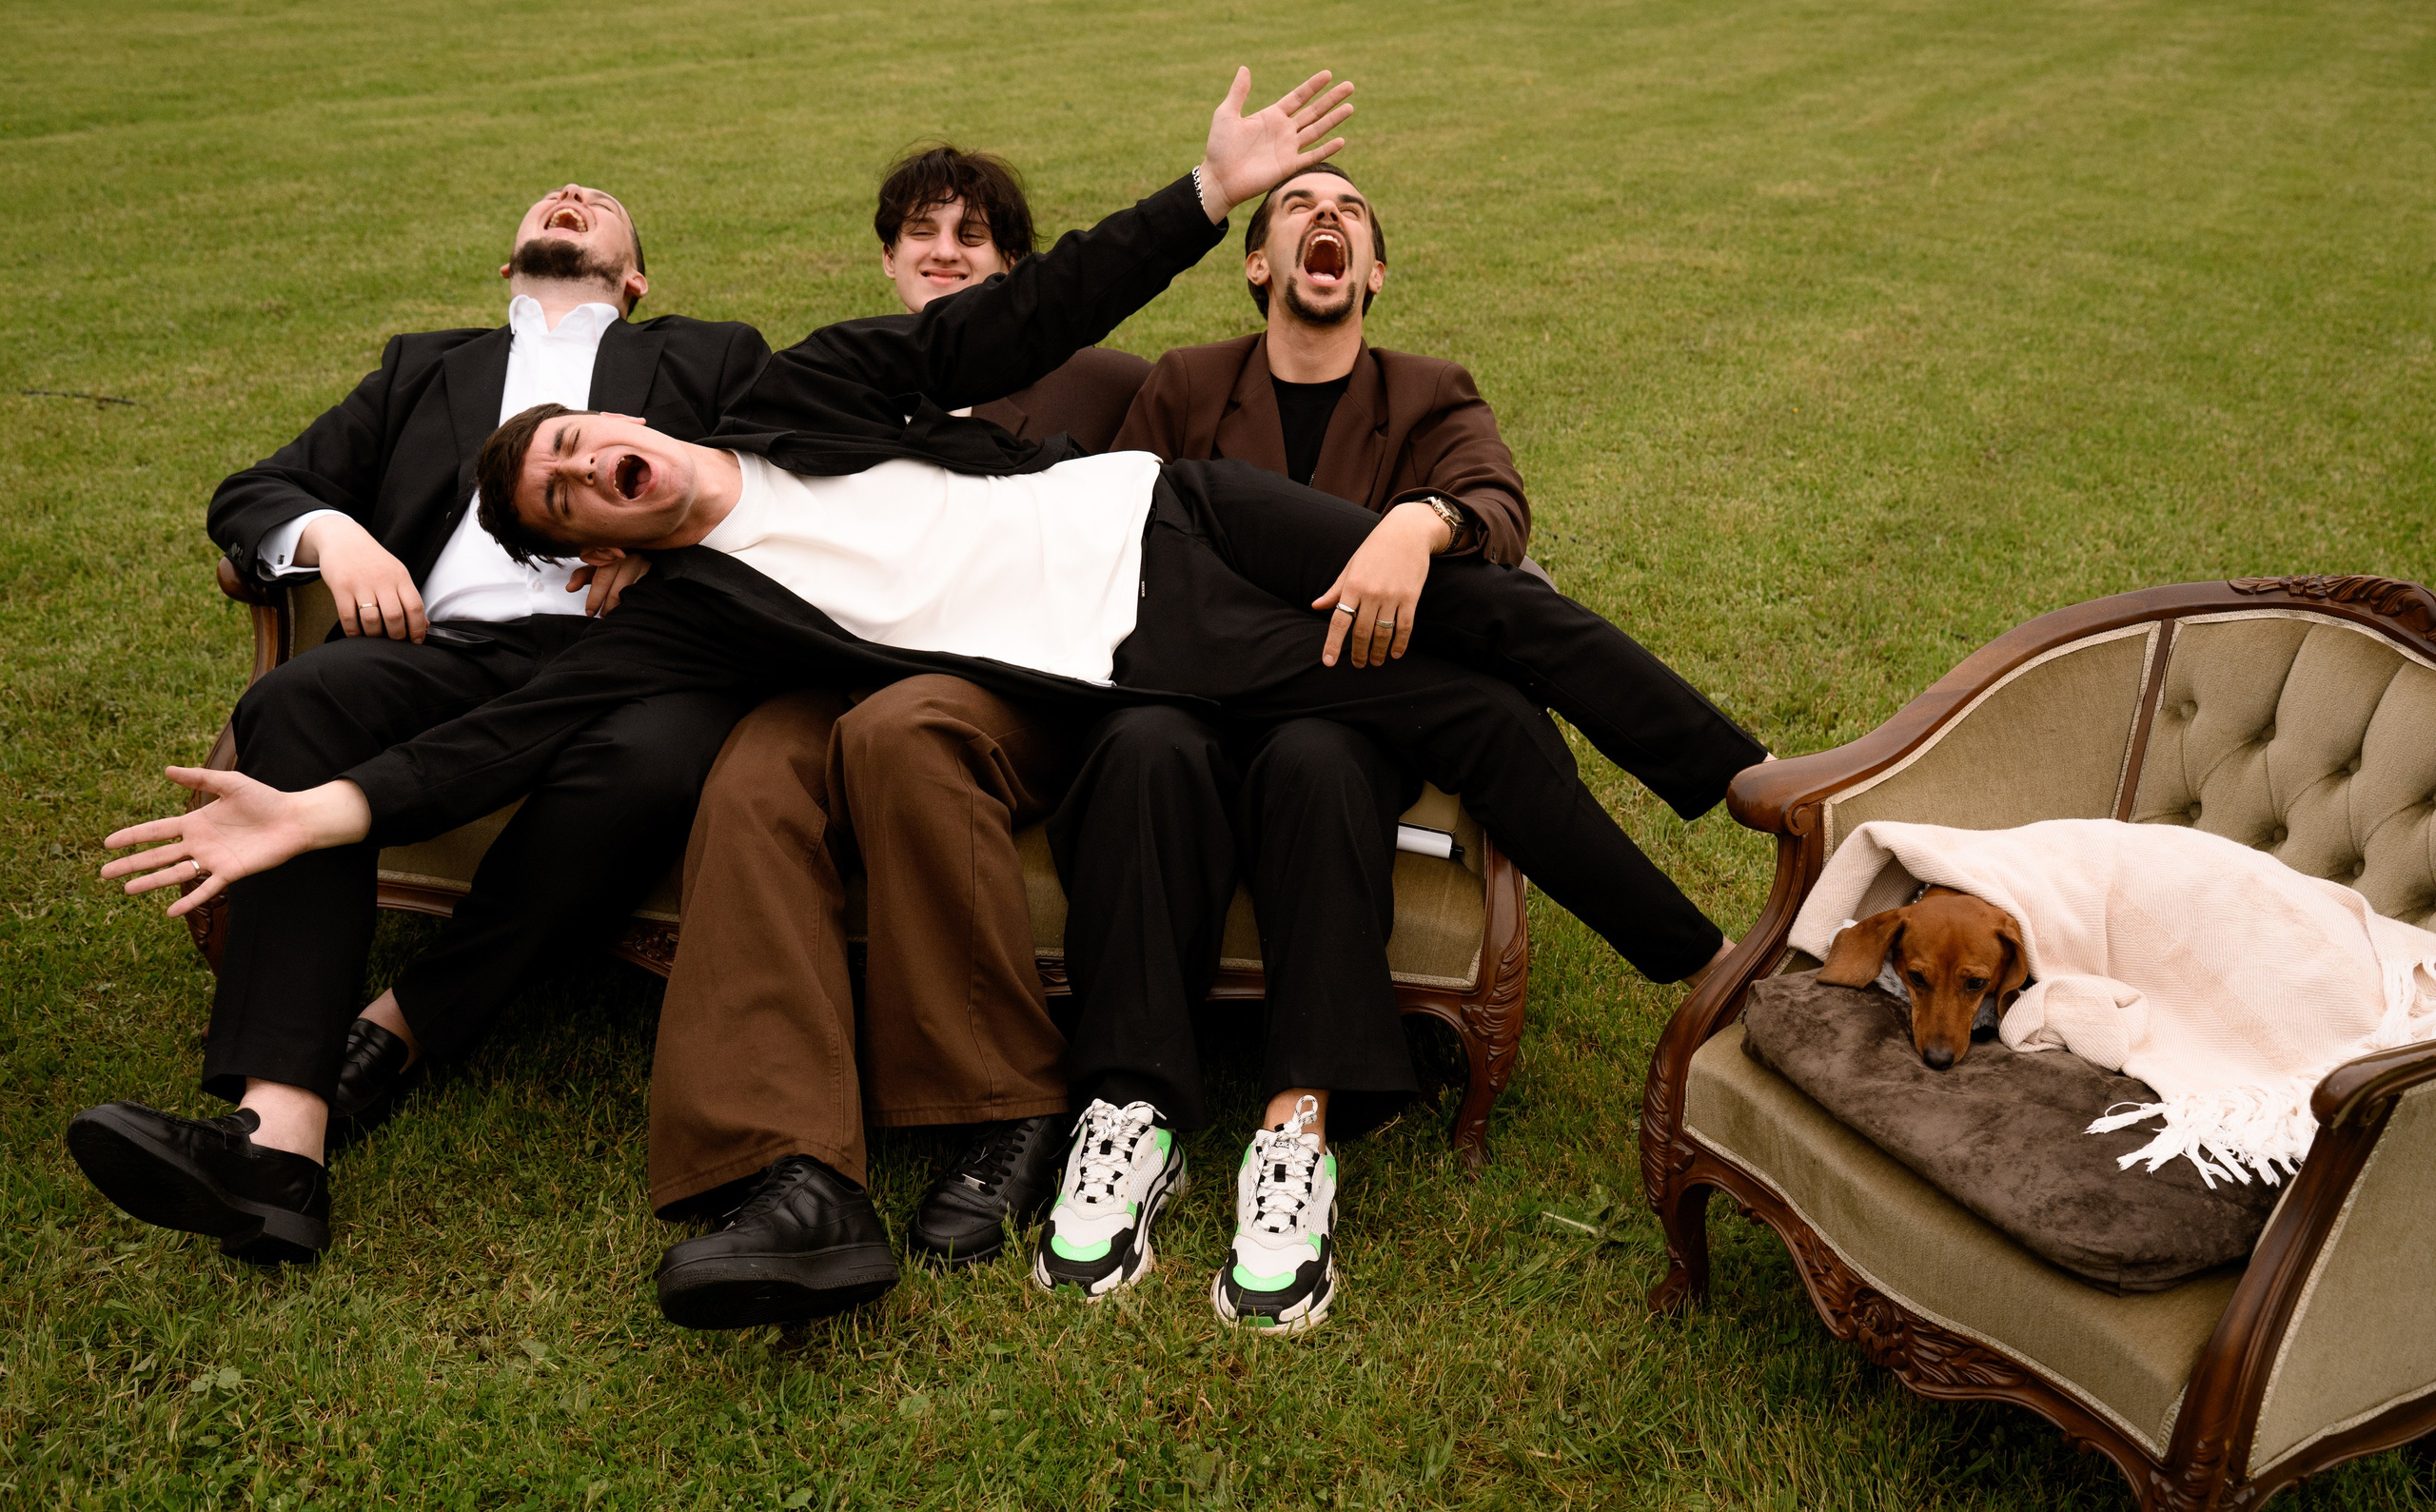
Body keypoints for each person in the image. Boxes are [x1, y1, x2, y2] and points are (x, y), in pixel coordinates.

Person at [100, 71, 1767, 1325]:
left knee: (1483, 614)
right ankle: (1709, 969)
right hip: (1133, 647)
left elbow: (1022, 316)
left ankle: (1753, 782)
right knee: (1462, 704)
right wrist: (319, 804)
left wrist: (1207, 191)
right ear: (586, 537)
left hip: (1164, 515)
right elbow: (515, 727)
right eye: (569, 498)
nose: (596, 466)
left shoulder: (796, 387)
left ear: (641, 413)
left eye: (585, 445)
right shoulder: (699, 615)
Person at [67, 186, 767, 1263]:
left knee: (656, 759)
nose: (573, 196)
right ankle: (282, 1132)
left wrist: (667, 552)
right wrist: (335, 537)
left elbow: (777, 477)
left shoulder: (708, 355)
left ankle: (396, 1027)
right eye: (555, 196)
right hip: (440, 653)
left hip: (630, 665)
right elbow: (258, 487)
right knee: (298, 698)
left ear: (634, 281)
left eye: (601, 204)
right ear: (508, 269)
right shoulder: (423, 367)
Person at [1032, 160, 1538, 1331]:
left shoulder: (1427, 392)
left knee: (1314, 764)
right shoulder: (1184, 382)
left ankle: (1293, 1129)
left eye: (1350, 212)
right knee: (1145, 747)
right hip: (1190, 694)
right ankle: (1127, 1115)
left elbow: (1499, 513)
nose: (1326, 218)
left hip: (1346, 710)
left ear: (1371, 273)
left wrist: (1424, 519)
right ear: (1258, 263)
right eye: (1298, 209)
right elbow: (1119, 531)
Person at [648, 146, 1149, 1305]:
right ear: (885, 260)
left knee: (906, 730)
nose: (944, 252)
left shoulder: (1102, 380)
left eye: (972, 236)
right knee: (757, 775)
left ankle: (1007, 1105)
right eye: (921, 233)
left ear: (1014, 266)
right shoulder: (840, 379)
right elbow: (719, 483)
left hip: (1023, 676)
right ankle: (786, 1167)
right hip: (841, 661)